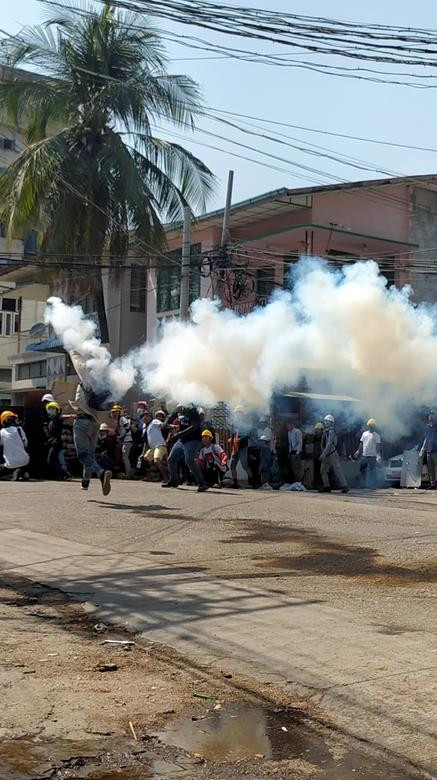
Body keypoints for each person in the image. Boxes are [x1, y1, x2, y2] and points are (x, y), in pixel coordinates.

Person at [68, 351, 112, 495]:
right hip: (95, 423)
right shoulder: (101, 386)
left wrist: (73, 351)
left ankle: (100, 472)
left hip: (82, 422)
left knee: (83, 455)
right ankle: (85, 481)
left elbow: (79, 364)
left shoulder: (86, 384)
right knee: (89, 455)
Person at [163, 405, 208, 492]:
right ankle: (174, 481)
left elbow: (194, 426)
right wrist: (166, 422)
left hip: (194, 440)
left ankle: (202, 483)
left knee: (189, 460)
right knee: (171, 459)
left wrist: (179, 435)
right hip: (182, 440)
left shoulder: (193, 412)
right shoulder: (180, 409)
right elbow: (171, 416)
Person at [320, 414, 349, 493]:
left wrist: (323, 454)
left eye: (327, 421)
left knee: (337, 470)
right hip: (326, 454)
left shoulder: (331, 431)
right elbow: (323, 444)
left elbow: (329, 444)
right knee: (323, 471)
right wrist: (323, 453)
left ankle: (345, 486)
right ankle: (327, 486)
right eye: (325, 421)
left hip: (332, 454)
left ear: (331, 422)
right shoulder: (325, 431)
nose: (325, 422)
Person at [0, 411, 30, 480]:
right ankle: (22, 473)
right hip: (25, 461)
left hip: (10, 463)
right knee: (23, 461)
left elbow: (1, 444)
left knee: (5, 467)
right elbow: (26, 444)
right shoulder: (19, 429)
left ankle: (11, 475)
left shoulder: (2, 431)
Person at [141, 409, 168, 483]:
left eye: (147, 415)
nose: (145, 417)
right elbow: (146, 442)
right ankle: (151, 476)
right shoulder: (145, 427)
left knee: (157, 460)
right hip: (153, 448)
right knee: (146, 459)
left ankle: (166, 478)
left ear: (151, 417)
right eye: (143, 416)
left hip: (160, 445)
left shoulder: (154, 421)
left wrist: (171, 426)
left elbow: (163, 425)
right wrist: (143, 452)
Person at [229, 405, 252, 489]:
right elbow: (232, 434)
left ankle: (252, 482)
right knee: (232, 465)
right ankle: (235, 483)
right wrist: (231, 439)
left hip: (243, 446)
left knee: (244, 465)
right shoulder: (234, 423)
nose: (238, 414)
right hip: (235, 447)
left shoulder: (246, 423)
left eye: (240, 413)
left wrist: (240, 439)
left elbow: (248, 435)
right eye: (237, 413)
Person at [355, 418, 382, 489]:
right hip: (364, 455)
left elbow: (378, 446)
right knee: (362, 470)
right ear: (368, 426)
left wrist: (378, 455)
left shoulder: (377, 436)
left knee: (372, 471)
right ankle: (362, 484)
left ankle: (373, 485)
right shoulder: (364, 434)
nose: (371, 426)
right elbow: (361, 443)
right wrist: (358, 451)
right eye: (370, 425)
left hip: (372, 456)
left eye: (372, 425)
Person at [46, 401, 70, 480]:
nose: (50, 410)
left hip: (56, 442)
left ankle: (64, 474)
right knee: (56, 459)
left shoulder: (57, 418)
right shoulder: (51, 420)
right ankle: (61, 475)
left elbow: (64, 417)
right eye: (49, 408)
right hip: (53, 442)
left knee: (50, 460)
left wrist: (74, 415)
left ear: (57, 410)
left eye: (52, 409)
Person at [110, 404, 134, 478]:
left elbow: (127, 428)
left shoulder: (122, 419)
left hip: (127, 440)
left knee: (125, 457)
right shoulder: (118, 420)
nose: (115, 413)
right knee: (123, 457)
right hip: (124, 440)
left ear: (120, 412)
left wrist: (120, 437)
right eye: (114, 412)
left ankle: (128, 474)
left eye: (116, 412)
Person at [420, 412, 437, 489]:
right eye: (430, 415)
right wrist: (422, 449)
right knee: (431, 469)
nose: (431, 416)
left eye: (432, 414)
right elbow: (426, 439)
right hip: (429, 451)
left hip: (436, 451)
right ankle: (433, 484)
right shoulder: (427, 427)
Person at [312, 422, 324, 490]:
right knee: (316, 471)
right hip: (316, 457)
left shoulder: (323, 436)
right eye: (316, 429)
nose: (316, 431)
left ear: (321, 430)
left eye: (317, 429)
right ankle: (317, 485)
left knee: (322, 472)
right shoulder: (314, 437)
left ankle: (322, 485)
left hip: (322, 456)